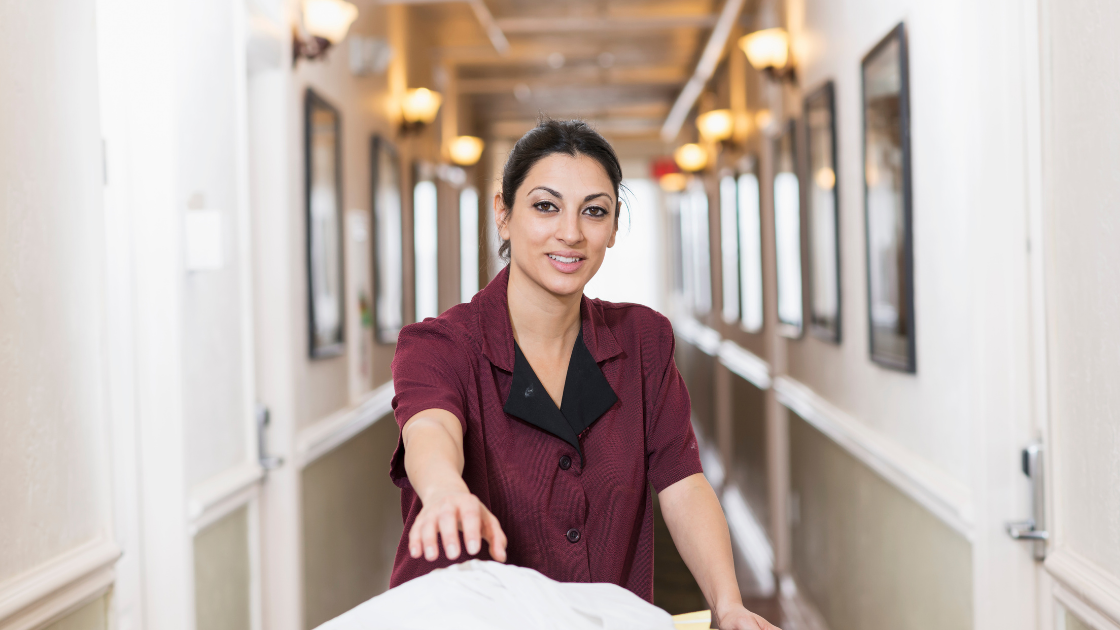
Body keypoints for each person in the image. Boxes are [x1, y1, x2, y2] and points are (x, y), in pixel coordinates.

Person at [388, 119, 780, 630]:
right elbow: (431, 429)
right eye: (545, 206)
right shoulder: (440, 344)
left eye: (594, 211)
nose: (570, 232)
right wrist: (443, 491)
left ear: (614, 227)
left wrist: (728, 604)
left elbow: (682, 482)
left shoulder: (644, 340)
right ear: (503, 215)